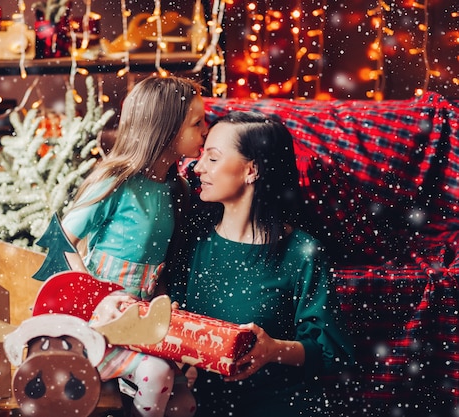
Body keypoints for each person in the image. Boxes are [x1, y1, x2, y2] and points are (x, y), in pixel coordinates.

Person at [165, 111, 354, 417]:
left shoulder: (303, 253)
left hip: (277, 406)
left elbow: (332, 351)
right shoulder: (192, 240)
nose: (198, 167)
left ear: (251, 170)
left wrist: (273, 350)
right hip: (198, 405)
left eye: (212, 159)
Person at [60, 74, 208, 417]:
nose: (205, 131)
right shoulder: (117, 181)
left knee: (185, 400)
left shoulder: (178, 190)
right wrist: (99, 296)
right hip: (97, 319)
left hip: (142, 318)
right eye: (197, 122)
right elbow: (63, 239)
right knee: (156, 374)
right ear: (166, 128)